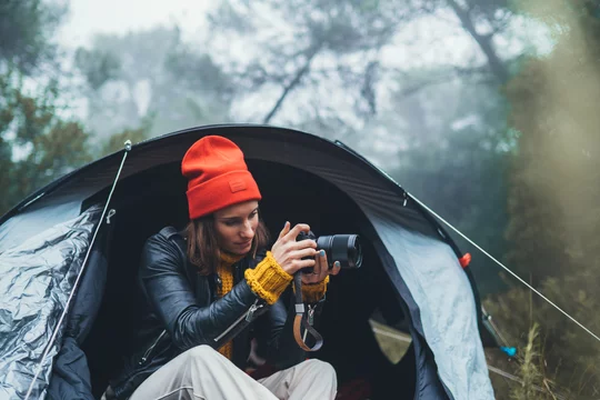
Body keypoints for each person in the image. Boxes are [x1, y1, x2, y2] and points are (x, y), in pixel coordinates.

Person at [107, 135, 339, 400]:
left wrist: (308, 296)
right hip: (152, 388)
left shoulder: (257, 260)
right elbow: (189, 334)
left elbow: (284, 355)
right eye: (232, 222)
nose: (248, 231)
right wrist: (264, 281)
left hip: (220, 391)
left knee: (319, 372)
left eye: (253, 215)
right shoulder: (164, 250)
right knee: (199, 359)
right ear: (205, 222)